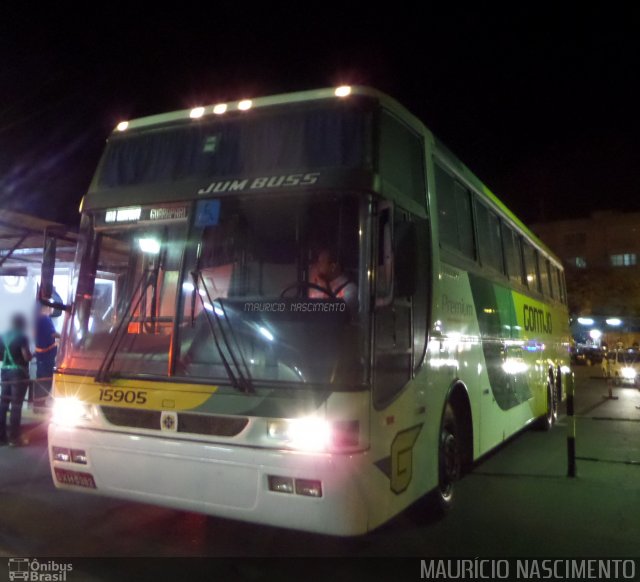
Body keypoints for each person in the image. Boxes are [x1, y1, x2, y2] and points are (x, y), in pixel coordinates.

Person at [0, 314, 33, 446]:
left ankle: (1, 438)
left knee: (3, 404)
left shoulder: (3, 336)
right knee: (16, 406)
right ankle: (14, 438)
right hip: (18, 373)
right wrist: (32, 355)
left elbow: (0, 357)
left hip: (5, 372)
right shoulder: (22, 336)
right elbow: (26, 357)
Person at [34, 305, 60, 413]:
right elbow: (52, 333)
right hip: (47, 358)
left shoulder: (38, 319)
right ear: (48, 308)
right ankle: (40, 405)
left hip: (41, 357)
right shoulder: (45, 318)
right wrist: (66, 336)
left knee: (40, 380)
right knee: (45, 381)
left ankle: (38, 404)